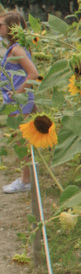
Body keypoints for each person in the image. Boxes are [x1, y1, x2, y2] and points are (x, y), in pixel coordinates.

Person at [0, 11, 39, 193]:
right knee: (22, 140)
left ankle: (25, 181)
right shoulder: (14, 47)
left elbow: (33, 73)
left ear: (11, 27)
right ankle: (27, 179)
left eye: (1, 25)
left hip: (20, 101)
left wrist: (17, 93)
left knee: (21, 141)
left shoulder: (16, 49)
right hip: (17, 100)